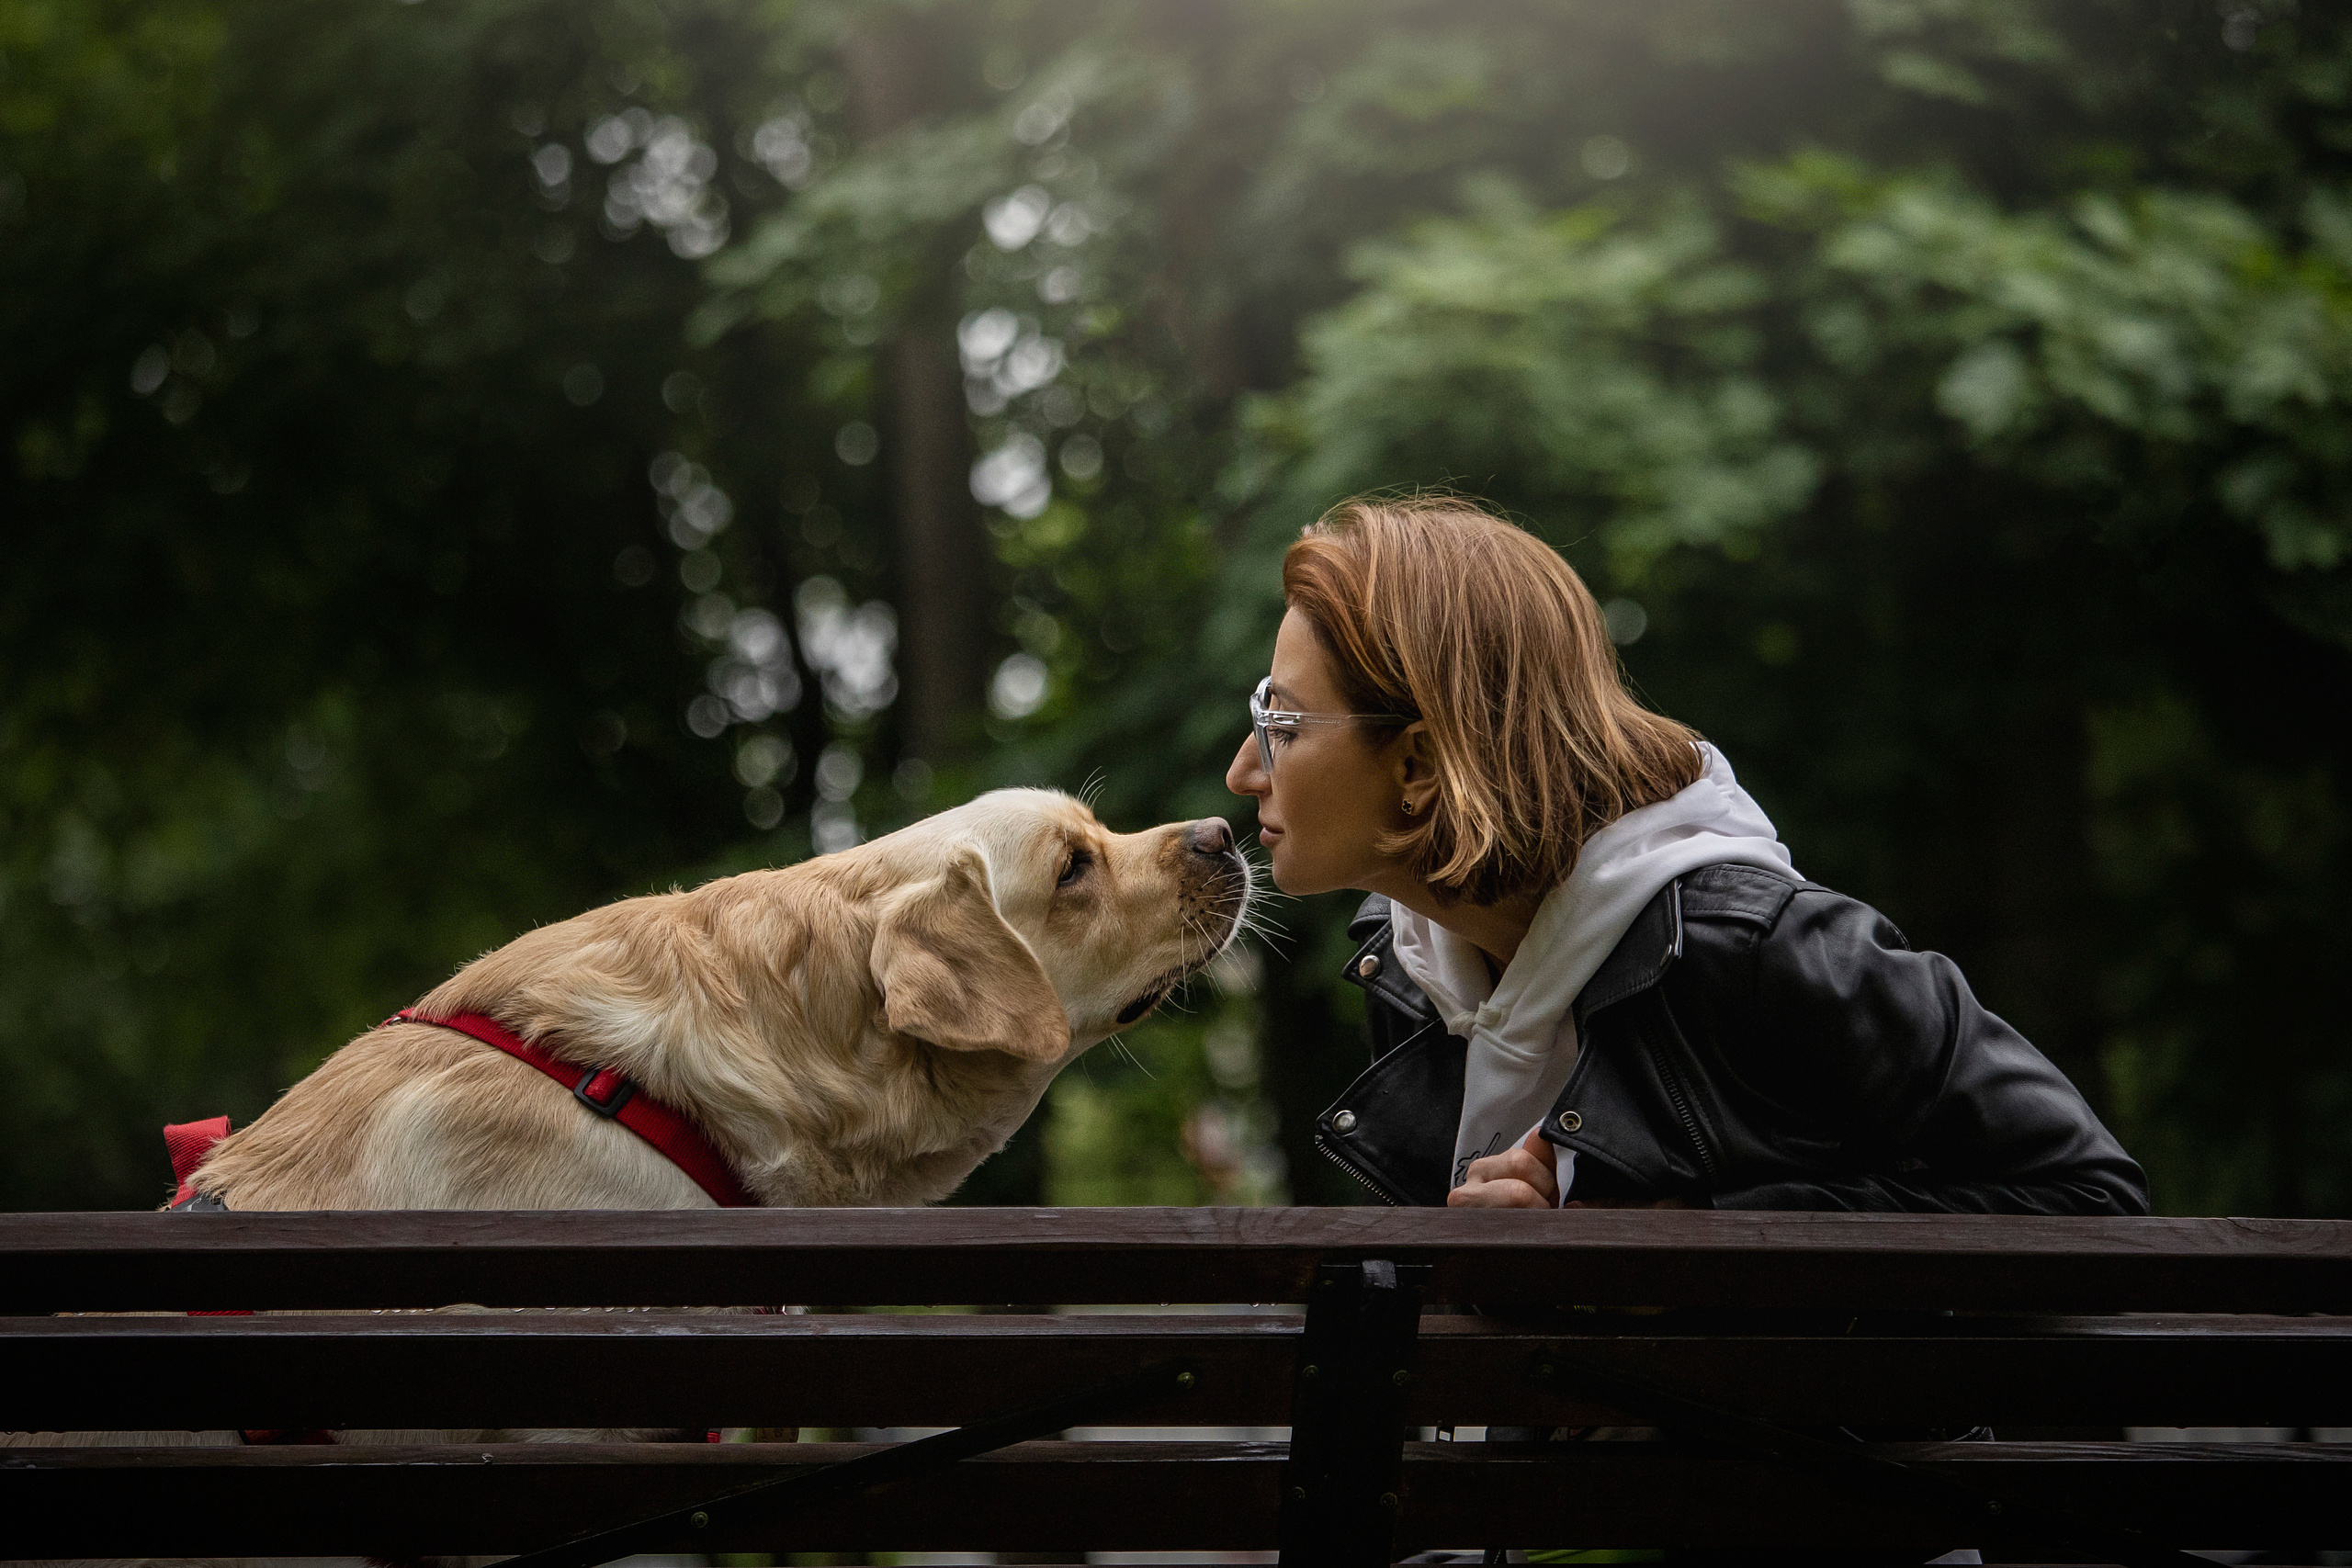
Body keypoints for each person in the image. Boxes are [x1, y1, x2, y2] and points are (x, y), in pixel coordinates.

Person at [1224, 494, 2146, 1215]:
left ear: (1420, 762)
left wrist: (1684, 1245)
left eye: (1281, 723)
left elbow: (2086, 1200)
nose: (1241, 772)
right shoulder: (1414, 969)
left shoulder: (1760, 948)